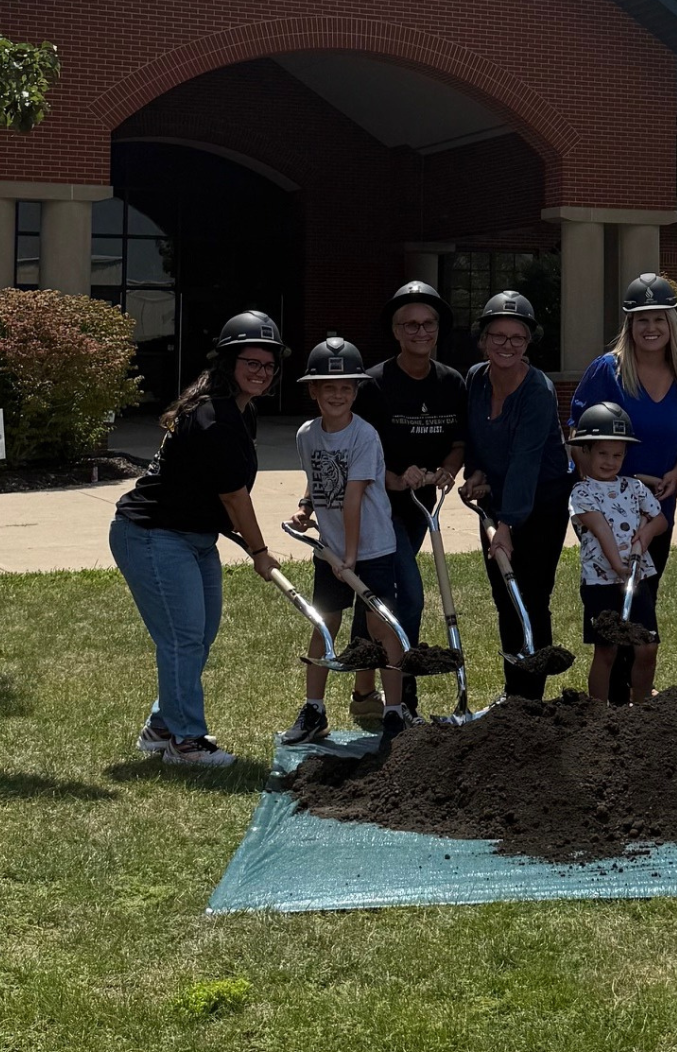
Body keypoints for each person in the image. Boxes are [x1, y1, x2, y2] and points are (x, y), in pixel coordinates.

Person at [110, 311, 286, 767]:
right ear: (229, 362)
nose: (262, 372)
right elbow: (234, 495)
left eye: (269, 365)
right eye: (252, 362)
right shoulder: (214, 418)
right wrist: (260, 552)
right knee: (183, 638)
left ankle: (162, 727)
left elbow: (220, 488)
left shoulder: (240, 412)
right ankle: (186, 742)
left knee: (197, 636)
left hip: (194, 537)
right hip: (152, 534)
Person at [568, 273, 677, 703]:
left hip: (656, 504)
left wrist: (675, 473)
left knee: (643, 597)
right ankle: (610, 702)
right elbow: (577, 432)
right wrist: (600, 484)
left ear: (672, 324)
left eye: (659, 318)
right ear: (629, 325)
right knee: (611, 604)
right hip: (607, 506)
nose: (651, 328)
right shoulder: (606, 371)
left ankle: (636, 702)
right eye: (641, 319)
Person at [348, 281, 465, 721]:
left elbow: (458, 443)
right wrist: (396, 479)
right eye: (410, 325)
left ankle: (364, 695)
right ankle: (404, 698)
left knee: (376, 598)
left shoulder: (450, 382)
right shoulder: (373, 385)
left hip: (419, 510)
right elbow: (354, 451)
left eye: (428, 323)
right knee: (408, 596)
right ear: (396, 332)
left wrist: (447, 469)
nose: (420, 331)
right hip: (377, 506)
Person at [284, 336, 409, 745]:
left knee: (379, 626)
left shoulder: (364, 436)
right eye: (328, 388)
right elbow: (317, 476)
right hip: (331, 551)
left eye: (345, 388)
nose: (337, 395)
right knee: (324, 623)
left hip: (370, 548)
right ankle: (314, 710)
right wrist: (305, 507)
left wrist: (351, 557)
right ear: (313, 391)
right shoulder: (306, 434)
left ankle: (394, 711)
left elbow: (353, 497)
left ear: (356, 392)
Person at [457, 290, 574, 700]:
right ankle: (513, 695)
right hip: (496, 497)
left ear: (527, 343)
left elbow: (526, 459)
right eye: (498, 336)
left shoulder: (538, 390)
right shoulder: (475, 379)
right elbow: (474, 435)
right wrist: (476, 472)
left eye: (517, 338)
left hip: (542, 502)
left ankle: (531, 699)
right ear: (483, 339)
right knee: (504, 595)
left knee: (531, 595)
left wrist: (506, 526)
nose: (507, 345)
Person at [567, 402, 668, 703]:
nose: (610, 461)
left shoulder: (634, 487)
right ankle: (598, 711)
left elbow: (660, 520)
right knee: (607, 649)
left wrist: (646, 534)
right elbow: (601, 530)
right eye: (602, 454)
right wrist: (620, 567)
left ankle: (642, 707)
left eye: (617, 455)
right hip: (601, 582)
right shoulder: (582, 493)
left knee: (647, 646)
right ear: (586, 451)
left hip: (638, 578)